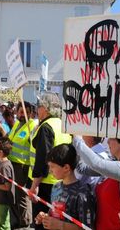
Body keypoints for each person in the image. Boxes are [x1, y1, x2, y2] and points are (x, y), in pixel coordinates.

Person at [73, 136, 120, 230]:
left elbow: (96, 163)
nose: (108, 141)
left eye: (111, 138)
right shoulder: (113, 162)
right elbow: (82, 168)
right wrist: (82, 145)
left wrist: (78, 139)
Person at [28, 92, 72, 230]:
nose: (36, 109)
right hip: (62, 183)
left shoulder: (46, 127)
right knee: (55, 221)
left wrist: (34, 186)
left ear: (45, 108)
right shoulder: (63, 125)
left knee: (42, 222)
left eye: (38, 106)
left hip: (45, 185)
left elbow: (43, 159)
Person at [35, 143, 96, 230]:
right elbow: (54, 212)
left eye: (52, 167)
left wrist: (60, 225)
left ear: (66, 167)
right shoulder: (56, 187)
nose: (49, 171)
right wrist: (46, 217)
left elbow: (87, 227)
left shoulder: (83, 192)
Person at [3, 101, 36, 228]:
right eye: (20, 112)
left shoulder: (32, 126)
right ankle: (18, 219)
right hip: (12, 163)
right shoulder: (17, 124)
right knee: (14, 194)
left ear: (31, 113)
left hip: (23, 167)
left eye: (26, 112)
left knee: (22, 196)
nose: (22, 114)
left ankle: (25, 222)